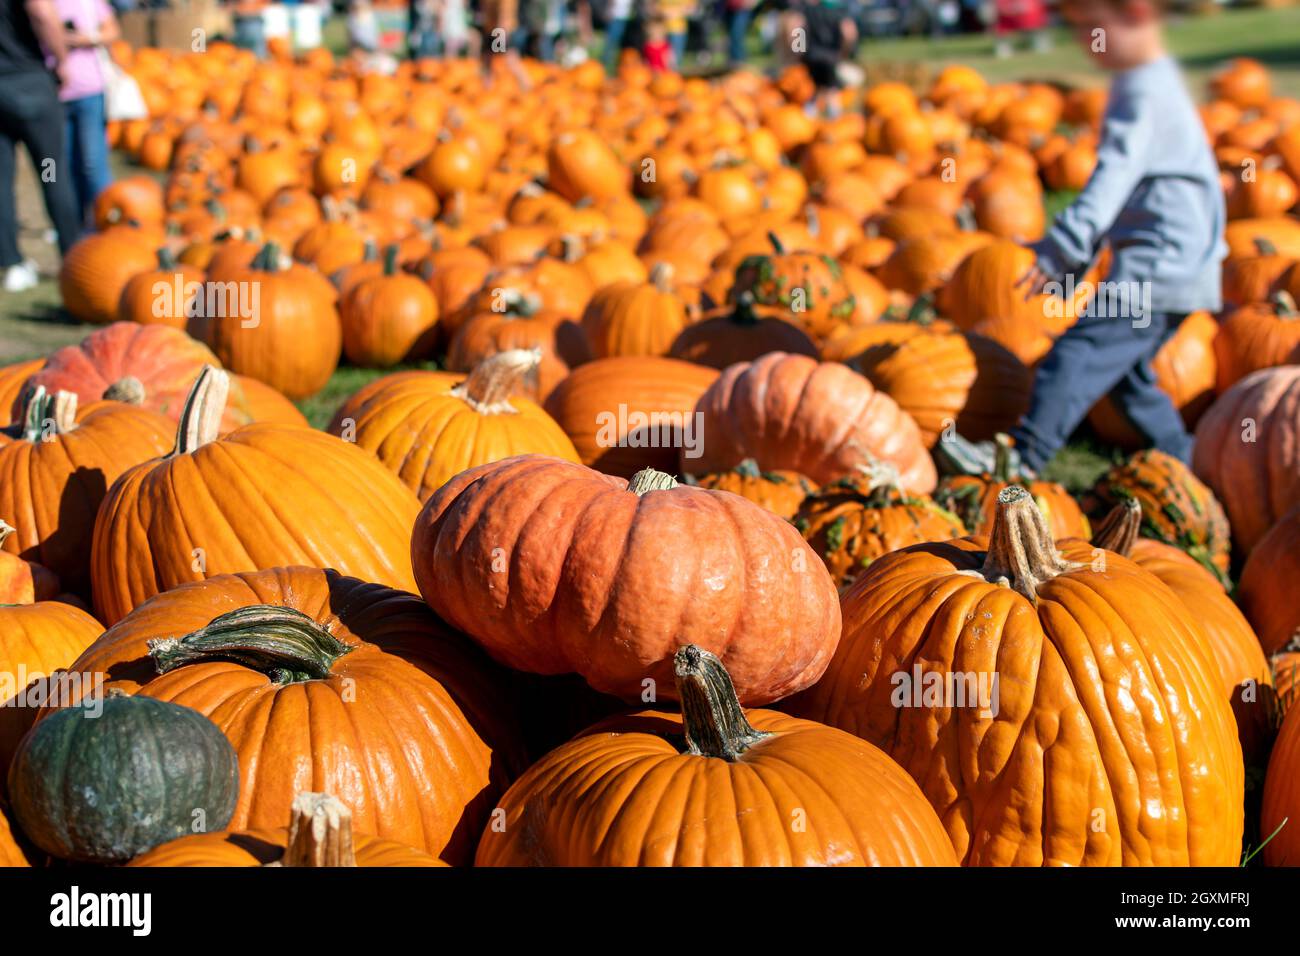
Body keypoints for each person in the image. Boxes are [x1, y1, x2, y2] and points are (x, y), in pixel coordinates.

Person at [937, 0, 1225, 478]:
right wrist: (1080, 259)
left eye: (1093, 28)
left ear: (1135, 20)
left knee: (1076, 352)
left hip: (1160, 270)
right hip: (1185, 267)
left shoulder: (1143, 90)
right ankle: (1188, 459)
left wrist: (1062, 248)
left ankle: (1020, 461)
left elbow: (1112, 178)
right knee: (1127, 378)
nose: (1087, 43)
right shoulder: (1156, 84)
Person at [0, 0, 83, 292]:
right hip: (29, 86)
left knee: (1, 181)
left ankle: (11, 263)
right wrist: (61, 60)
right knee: (52, 174)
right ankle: (73, 257)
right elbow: (41, 11)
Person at [55, 0, 118, 226]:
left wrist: (85, 38)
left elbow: (112, 30)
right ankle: (77, 221)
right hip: (54, 92)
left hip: (89, 89)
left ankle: (106, 217)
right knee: (65, 163)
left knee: (92, 161)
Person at [723, 0, 755, 66]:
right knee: (731, 36)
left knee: (736, 34)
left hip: (742, 8)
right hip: (729, 7)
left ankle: (738, 61)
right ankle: (732, 60)